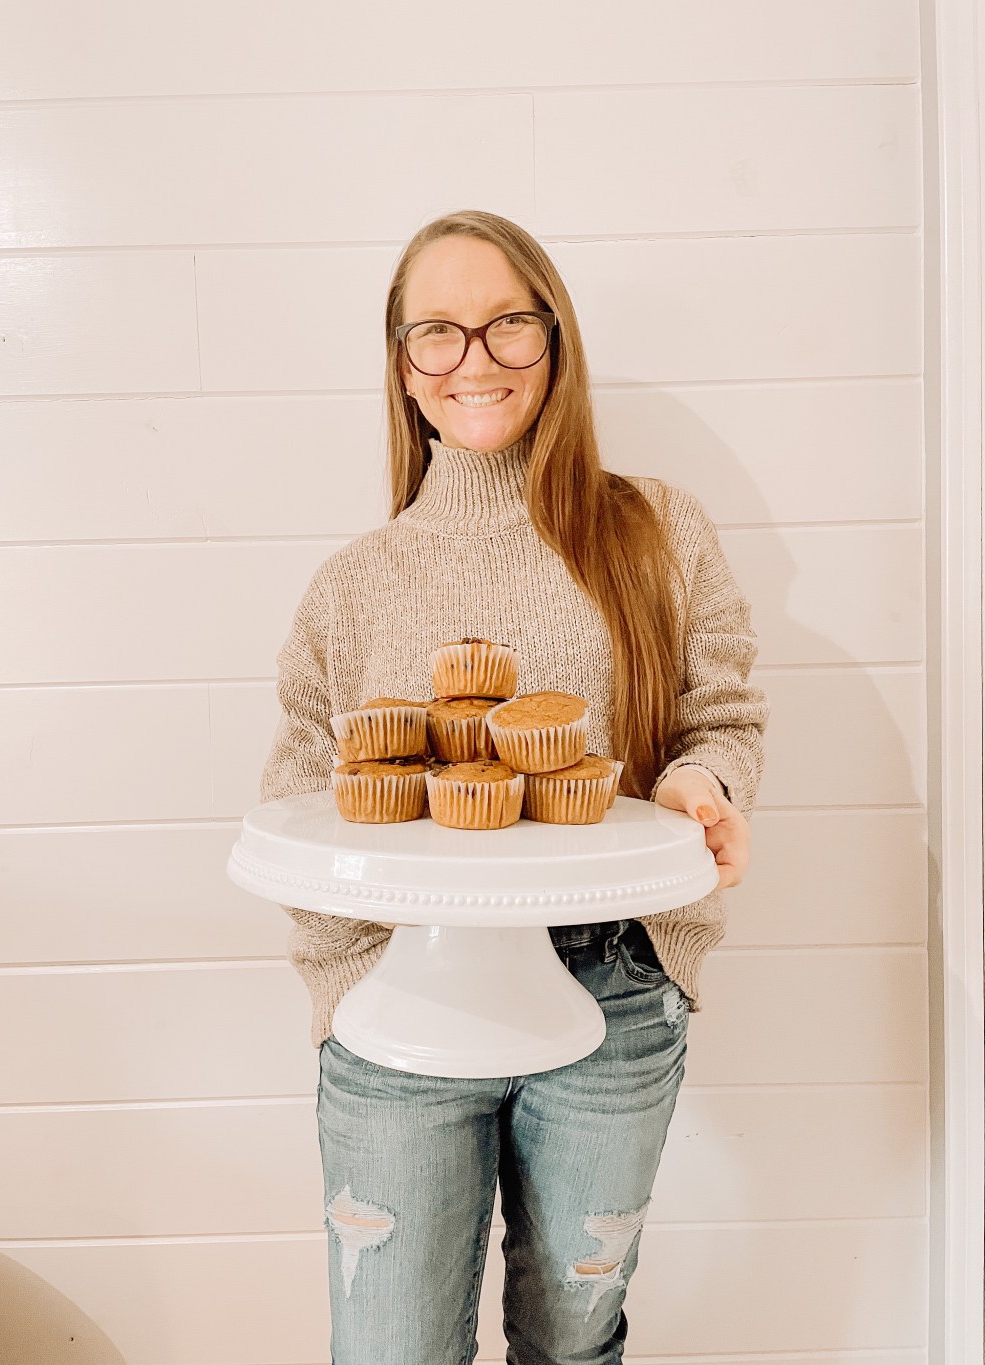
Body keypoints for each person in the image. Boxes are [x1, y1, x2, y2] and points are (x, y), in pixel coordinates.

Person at [260, 209, 768, 1365]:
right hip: (399, 1002)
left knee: (571, 1342)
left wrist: (699, 786)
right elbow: (300, 792)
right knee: (391, 1350)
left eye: (507, 325)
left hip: (616, 994)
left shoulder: (653, 532)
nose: (472, 360)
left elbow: (719, 714)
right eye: (435, 331)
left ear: (556, 339)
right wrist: (346, 979)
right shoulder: (355, 584)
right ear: (400, 361)